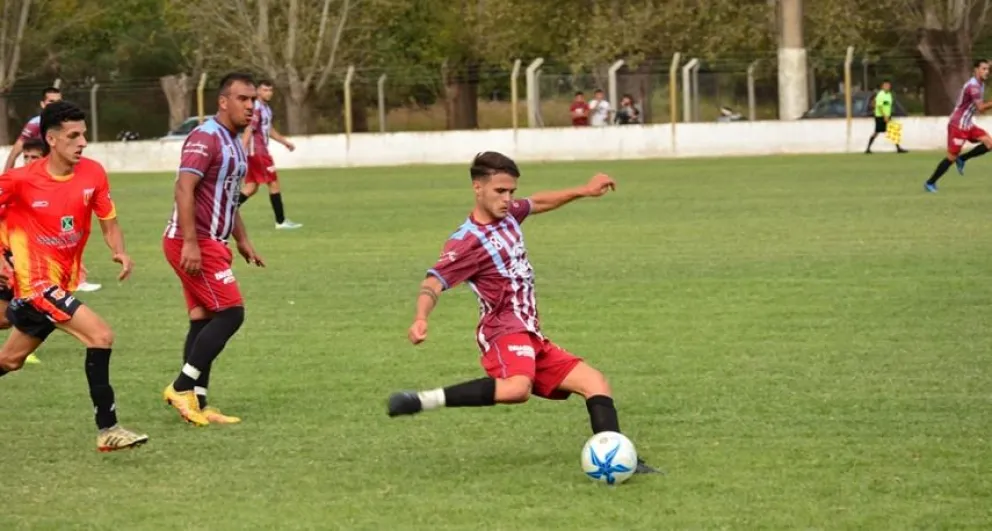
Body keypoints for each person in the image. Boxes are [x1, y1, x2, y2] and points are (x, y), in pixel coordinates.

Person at [386, 151, 658, 475]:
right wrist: (421, 317)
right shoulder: (466, 243)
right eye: (500, 191)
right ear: (477, 188)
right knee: (517, 389)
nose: (507, 199)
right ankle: (422, 400)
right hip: (502, 329)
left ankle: (622, 462)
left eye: (511, 191)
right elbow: (432, 282)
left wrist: (584, 190)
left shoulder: (509, 214)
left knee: (594, 382)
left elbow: (537, 202)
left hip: (530, 332)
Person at [0, 100, 147, 452]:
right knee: (100, 335)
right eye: (73, 136)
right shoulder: (21, 180)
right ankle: (108, 429)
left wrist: (119, 250)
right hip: (36, 284)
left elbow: (109, 222)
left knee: (10, 360)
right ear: (51, 139)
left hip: (61, 282)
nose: (82, 142)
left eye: (84, 134)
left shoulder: (93, 173)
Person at [162, 72, 266, 427]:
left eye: (253, 100)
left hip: (212, 241)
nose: (250, 106)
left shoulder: (235, 141)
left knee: (203, 319)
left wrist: (243, 239)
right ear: (223, 102)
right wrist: (191, 243)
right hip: (193, 241)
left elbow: (229, 199)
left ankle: (198, 403)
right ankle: (181, 387)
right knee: (231, 314)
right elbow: (183, 188)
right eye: (243, 99)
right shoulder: (205, 137)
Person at [3, 87, 101, 292]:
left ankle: (73, 276)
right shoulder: (34, 125)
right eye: (50, 101)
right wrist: (8, 172)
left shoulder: (67, 124)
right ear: (42, 104)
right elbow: (19, 147)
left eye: (57, 101)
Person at [0, 138, 48, 365]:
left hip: (29, 260)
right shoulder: (13, 184)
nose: (28, 161)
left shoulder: (51, 189)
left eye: (34, 157)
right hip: (6, 259)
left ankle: (21, 349)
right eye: (26, 157)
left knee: (8, 317)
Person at [238, 79, 302, 230]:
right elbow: (249, 129)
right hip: (258, 152)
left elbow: (269, 129)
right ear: (257, 91)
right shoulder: (256, 108)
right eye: (265, 90)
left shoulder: (266, 108)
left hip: (258, 152)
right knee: (274, 183)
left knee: (251, 187)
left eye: (270, 90)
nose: (268, 93)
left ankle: (223, 211)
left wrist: (284, 142)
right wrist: (240, 152)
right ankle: (280, 221)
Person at [925, 59, 992, 192]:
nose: (986, 72)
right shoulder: (973, 86)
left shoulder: (980, 84)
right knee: (951, 157)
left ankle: (962, 159)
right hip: (957, 125)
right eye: (983, 69)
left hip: (967, 124)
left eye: (988, 69)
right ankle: (930, 183)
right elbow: (981, 108)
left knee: (989, 143)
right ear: (976, 70)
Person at [865, 80, 907, 154]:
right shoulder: (880, 94)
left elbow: (887, 105)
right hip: (880, 116)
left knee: (892, 130)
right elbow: (879, 106)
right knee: (877, 132)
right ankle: (868, 149)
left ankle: (898, 148)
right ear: (882, 86)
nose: (887, 87)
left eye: (888, 85)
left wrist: (888, 115)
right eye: (885, 85)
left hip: (887, 116)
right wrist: (884, 116)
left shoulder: (889, 95)